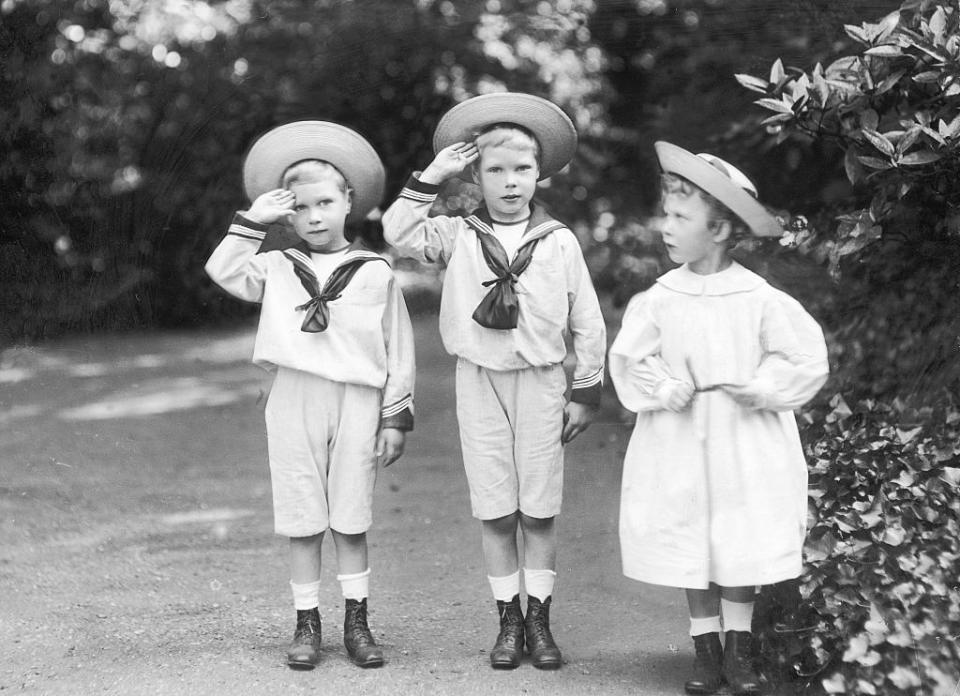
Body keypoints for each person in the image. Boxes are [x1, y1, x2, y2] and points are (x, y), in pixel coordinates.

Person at [382, 93, 606, 671]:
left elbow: (587, 319)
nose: (511, 182)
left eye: (522, 170)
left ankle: (540, 619)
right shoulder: (457, 235)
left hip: (539, 382)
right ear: (476, 175)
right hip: (478, 380)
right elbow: (397, 231)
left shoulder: (558, 241)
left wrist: (585, 390)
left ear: (540, 174)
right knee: (495, 508)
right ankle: (507, 620)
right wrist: (433, 176)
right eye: (496, 170)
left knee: (537, 508)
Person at [608, 142, 829, 695]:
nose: (667, 226)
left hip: (742, 437)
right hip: (680, 435)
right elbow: (631, 357)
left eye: (682, 217)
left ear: (722, 230)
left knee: (738, 533)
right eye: (668, 214)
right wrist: (663, 386)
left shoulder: (758, 298)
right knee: (691, 533)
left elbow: (803, 357)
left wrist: (764, 387)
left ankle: (740, 648)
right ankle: (705, 648)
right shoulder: (660, 298)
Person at [205, 121, 415, 670]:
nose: (314, 216)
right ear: (287, 214)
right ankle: (306, 622)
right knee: (301, 513)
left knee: (350, 514)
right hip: (295, 396)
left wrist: (396, 417)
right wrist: (254, 221)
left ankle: (357, 621)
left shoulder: (373, 272)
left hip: (357, 399)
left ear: (349, 202)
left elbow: (399, 347)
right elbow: (221, 270)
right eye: (300, 208)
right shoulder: (277, 267)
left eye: (325, 202)